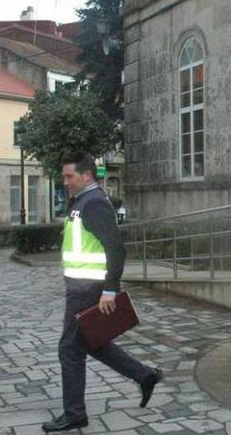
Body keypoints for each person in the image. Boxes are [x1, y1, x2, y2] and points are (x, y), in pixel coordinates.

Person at [43, 151, 162, 433]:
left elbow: (116, 248)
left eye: (69, 176)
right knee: (92, 343)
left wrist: (110, 290)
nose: (65, 181)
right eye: (63, 176)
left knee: (69, 349)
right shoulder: (82, 200)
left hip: (88, 288)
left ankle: (75, 414)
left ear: (86, 175)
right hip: (80, 286)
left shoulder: (94, 202)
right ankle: (145, 376)